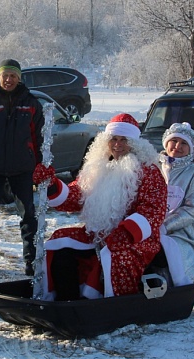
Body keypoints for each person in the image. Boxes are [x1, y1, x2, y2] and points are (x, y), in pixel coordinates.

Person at [33, 113, 167, 300]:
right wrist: (51, 184)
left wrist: (126, 233)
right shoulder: (97, 167)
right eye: (113, 139)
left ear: (135, 143)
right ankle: (68, 301)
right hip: (98, 234)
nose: (117, 144)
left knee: (118, 256)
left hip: (135, 238)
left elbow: (153, 210)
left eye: (124, 140)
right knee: (60, 242)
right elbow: (76, 195)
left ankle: (115, 305)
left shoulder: (148, 171)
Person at [0, 59, 44, 276]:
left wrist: (39, 166)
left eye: (13, 76)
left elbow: (38, 138)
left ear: (19, 78)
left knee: (29, 216)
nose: (8, 80)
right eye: (5, 75)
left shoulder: (31, 103)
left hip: (22, 168)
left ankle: (31, 260)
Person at [158, 122, 194, 285]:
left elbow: (193, 209)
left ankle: (177, 286)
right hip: (152, 227)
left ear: (191, 148)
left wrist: (165, 226)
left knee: (170, 249)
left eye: (183, 143)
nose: (177, 146)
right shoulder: (153, 168)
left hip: (184, 232)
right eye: (174, 141)